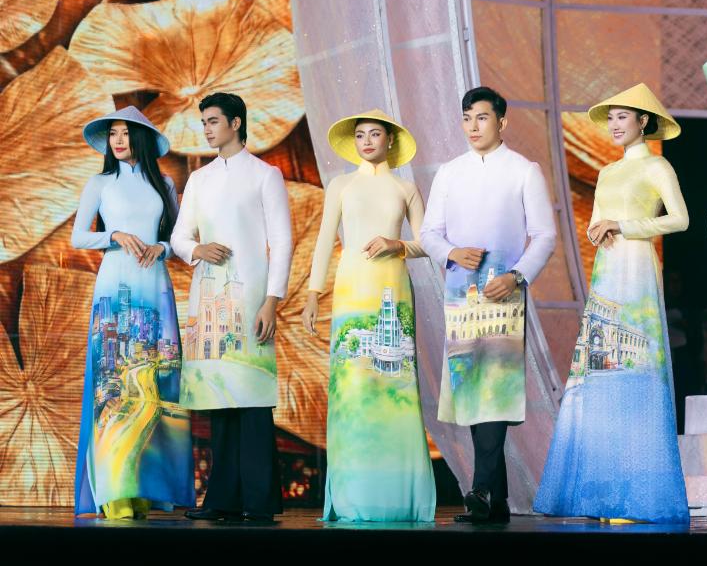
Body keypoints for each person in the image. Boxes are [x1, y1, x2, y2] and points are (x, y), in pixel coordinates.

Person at [533, 83, 690, 524]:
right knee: (601, 369)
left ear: (644, 121)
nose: (616, 125)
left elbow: (680, 219)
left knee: (634, 368)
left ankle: (637, 493)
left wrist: (623, 224)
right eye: (613, 118)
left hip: (637, 271)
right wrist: (598, 229)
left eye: (624, 117)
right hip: (607, 272)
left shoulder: (657, 165)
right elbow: (597, 222)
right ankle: (599, 493)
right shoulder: (606, 172)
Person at [420, 86, 556, 523]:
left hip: (504, 293)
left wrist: (516, 275)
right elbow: (428, 233)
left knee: (494, 388)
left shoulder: (523, 171)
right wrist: (452, 253)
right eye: (467, 118)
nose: (473, 127)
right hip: (462, 294)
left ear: (502, 121)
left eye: (481, 117)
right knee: (472, 389)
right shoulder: (449, 173)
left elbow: (545, 235)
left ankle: (481, 490)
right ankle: (495, 499)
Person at [302, 109, 436, 522]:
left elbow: (429, 242)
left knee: (396, 393)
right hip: (351, 293)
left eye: (375, 134)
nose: (366, 141)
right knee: (353, 391)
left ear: (390, 140)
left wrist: (397, 245)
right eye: (360, 135)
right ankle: (353, 496)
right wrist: (313, 294)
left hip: (394, 290)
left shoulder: (405, 188)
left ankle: (397, 496)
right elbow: (325, 241)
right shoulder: (341, 185)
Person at [171, 92, 292, 522]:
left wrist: (272, 301)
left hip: (251, 295)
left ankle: (259, 502)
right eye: (203, 121)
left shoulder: (265, 175)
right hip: (208, 296)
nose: (206, 129)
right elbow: (179, 236)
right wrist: (197, 249)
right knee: (217, 396)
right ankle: (221, 499)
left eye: (213, 121)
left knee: (252, 396)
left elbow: (282, 242)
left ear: (236, 123)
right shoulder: (199, 180)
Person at [72, 106, 194, 519]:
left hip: (155, 286)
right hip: (114, 286)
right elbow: (78, 237)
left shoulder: (164, 183)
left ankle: (146, 486)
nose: (118, 140)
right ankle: (114, 491)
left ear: (140, 137)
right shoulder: (100, 183)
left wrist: (162, 246)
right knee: (113, 388)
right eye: (113, 134)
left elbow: (179, 239)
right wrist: (115, 235)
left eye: (125, 133)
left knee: (156, 385)